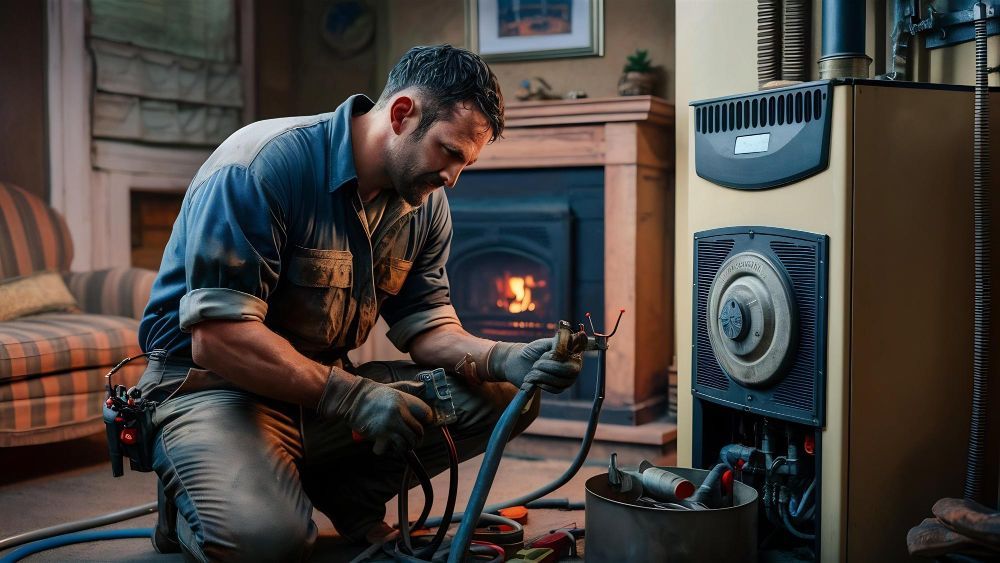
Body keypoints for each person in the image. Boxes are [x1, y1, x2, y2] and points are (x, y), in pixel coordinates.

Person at [135, 44, 584, 562]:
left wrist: (503, 357)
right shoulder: (261, 166)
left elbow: (428, 327)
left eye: (467, 162)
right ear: (401, 114)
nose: (453, 178)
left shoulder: (423, 204)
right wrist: (355, 398)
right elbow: (218, 341)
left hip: (318, 393)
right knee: (269, 543)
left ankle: (350, 495)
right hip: (210, 391)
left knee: (504, 393)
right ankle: (186, 507)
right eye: (450, 152)